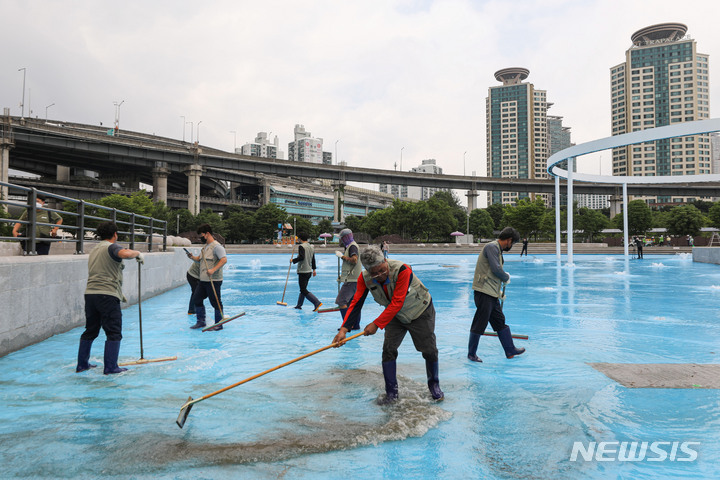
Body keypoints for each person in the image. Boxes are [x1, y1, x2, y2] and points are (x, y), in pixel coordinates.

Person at [333, 245, 444, 403]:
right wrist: (343, 330)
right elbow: (356, 302)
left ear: (385, 260)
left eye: (382, 270)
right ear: (367, 270)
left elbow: (398, 301)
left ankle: (434, 385)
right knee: (388, 350)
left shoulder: (403, 270)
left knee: (429, 350)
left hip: (420, 311)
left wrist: (376, 324)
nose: (379, 275)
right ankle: (391, 393)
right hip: (394, 315)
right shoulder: (364, 278)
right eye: (374, 273)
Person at [75, 221, 145, 374]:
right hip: (107, 294)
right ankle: (111, 367)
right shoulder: (111, 246)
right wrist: (137, 253)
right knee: (114, 331)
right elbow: (125, 254)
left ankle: (82, 364)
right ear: (115, 235)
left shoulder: (94, 249)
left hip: (90, 294)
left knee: (91, 330)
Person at [467, 226, 525, 363]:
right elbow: (496, 269)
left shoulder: (497, 250)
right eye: (513, 243)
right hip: (483, 292)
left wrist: (498, 291)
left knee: (499, 321)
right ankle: (471, 354)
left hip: (491, 293)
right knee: (480, 322)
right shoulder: (492, 247)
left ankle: (510, 350)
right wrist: (506, 277)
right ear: (509, 240)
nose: (512, 246)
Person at [188, 224, 227, 331]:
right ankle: (201, 322)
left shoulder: (217, 247)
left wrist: (213, 270)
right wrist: (192, 257)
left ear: (207, 234)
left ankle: (218, 324)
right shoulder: (205, 248)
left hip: (213, 280)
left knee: (215, 302)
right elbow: (199, 260)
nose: (201, 237)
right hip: (203, 280)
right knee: (197, 298)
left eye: (202, 235)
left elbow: (224, 260)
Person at [335, 228, 362, 330]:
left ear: (346, 237)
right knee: (352, 303)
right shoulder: (351, 246)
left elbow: (354, 260)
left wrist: (342, 257)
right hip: (354, 279)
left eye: (342, 238)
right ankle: (355, 325)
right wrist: (342, 277)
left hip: (352, 280)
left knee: (341, 301)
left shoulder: (352, 246)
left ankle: (347, 325)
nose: (341, 240)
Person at [292, 231, 322, 311]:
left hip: (303, 270)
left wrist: (293, 260)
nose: (298, 239)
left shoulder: (301, 246)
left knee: (303, 289)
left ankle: (316, 302)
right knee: (303, 288)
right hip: (309, 271)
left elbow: (302, 257)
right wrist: (314, 269)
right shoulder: (311, 246)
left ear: (301, 238)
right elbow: (313, 259)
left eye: (298, 238)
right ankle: (299, 305)